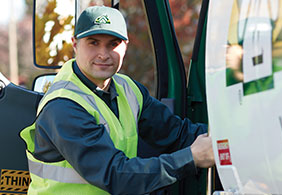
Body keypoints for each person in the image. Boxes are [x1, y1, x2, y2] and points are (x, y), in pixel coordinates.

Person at [21, 5, 215, 195]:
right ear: (75, 44)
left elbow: (178, 134)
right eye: (93, 42)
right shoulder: (63, 106)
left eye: (113, 44)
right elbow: (115, 175)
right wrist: (191, 158)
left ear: (125, 46)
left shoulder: (129, 89)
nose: (103, 54)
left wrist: (229, 136)